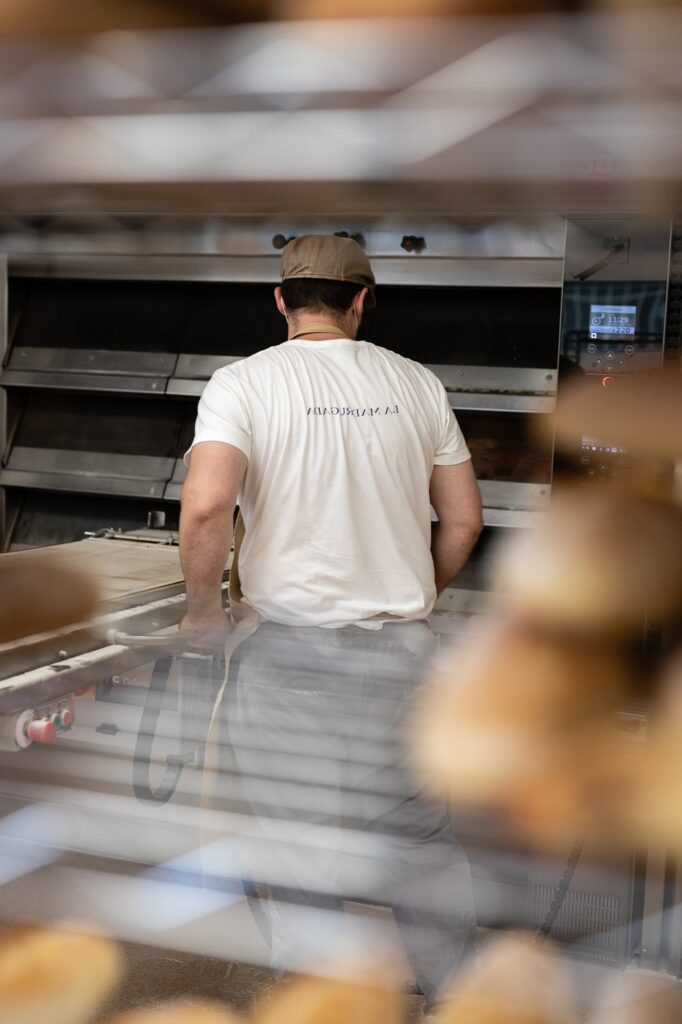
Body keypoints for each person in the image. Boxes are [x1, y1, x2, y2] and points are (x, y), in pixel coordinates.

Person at [179, 234, 483, 1006]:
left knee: (300, 848)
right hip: (405, 658)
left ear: (281, 300)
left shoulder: (242, 383)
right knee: (420, 843)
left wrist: (203, 612)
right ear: (359, 301)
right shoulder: (417, 384)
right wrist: (413, 592)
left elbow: (209, 504)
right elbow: (464, 521)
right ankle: (463, 998)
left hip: (290, 661)